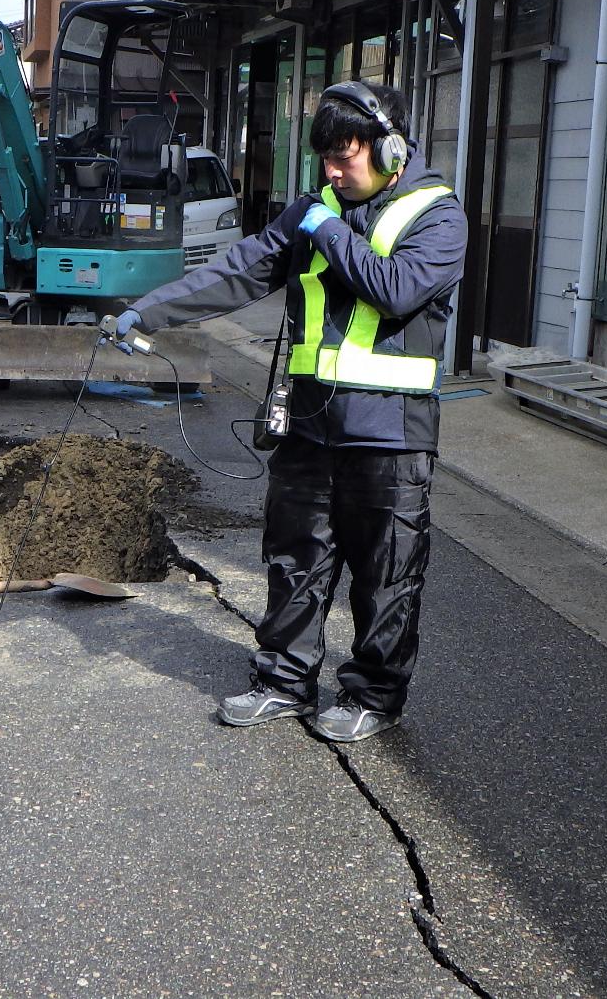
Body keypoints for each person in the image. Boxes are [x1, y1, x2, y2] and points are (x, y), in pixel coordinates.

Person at [113, 81, 465, 743]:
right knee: (295, 559)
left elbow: (395, 290)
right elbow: (241, 269)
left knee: (386, 573)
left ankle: (375, 695)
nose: (331, 171)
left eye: (345, 156)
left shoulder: (438, 217)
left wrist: (326, 227)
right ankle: (283, 680)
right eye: (325, 158)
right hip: (308, 423)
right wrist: (148, 311)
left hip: (390, 434)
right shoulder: (316, 207)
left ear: (392, 149)